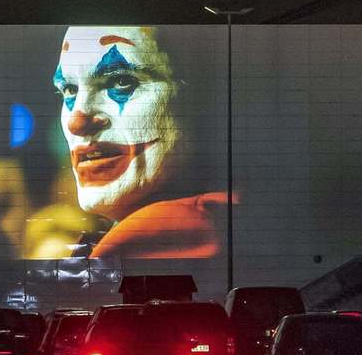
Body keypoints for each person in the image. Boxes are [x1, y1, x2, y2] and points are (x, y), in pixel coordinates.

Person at [53, 26, 235, 259]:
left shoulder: (153, 235)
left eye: (121, 81)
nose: (76, 122)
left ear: (203, 99)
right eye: (69, 89)